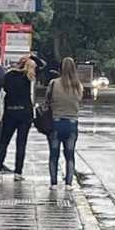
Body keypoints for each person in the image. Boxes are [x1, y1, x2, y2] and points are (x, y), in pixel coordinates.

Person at [0, 57, 36, 181]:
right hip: (25, 114)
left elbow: (3, 91)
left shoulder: (8, 76)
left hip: (10, 112)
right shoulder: (29, 77)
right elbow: (42, 64)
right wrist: (32, 57)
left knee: (4, 141)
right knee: (21, 143)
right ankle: (18, 172)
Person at [46, 57, 83, 190]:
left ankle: (54, 183)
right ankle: (68, 183)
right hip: (72, 123)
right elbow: (79, 101)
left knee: (54, 153)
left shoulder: (53, 83)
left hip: (56, 122)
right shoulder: (78, 85)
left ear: (60, 68)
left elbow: (47, 100)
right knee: (70, 154)